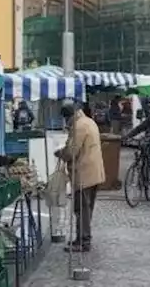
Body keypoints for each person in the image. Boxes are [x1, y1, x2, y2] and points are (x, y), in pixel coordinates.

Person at [55, 100, 103, 252]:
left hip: (84, 173)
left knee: (81, 209)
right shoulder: (88, 121)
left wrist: (60, 153)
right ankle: (83, 238)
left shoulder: (78, 126)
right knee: (86, 208)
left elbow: (71, 152)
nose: (65, 122)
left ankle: (83, 241)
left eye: (65, 118)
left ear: (68, 116)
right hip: (94, 172)